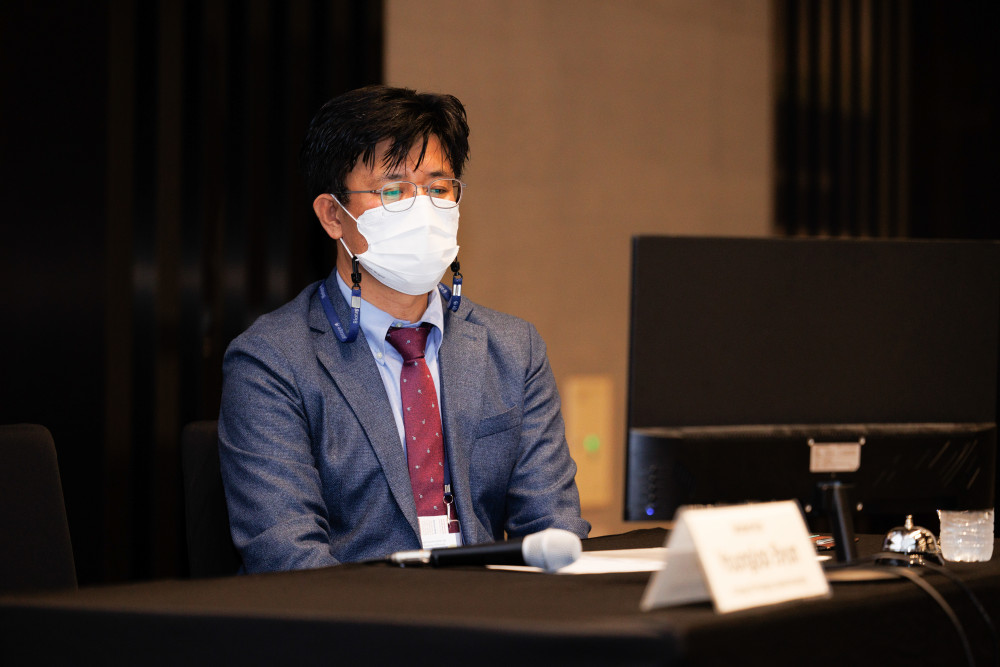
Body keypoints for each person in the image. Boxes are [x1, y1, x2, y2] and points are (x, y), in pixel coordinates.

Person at [218, 84, 589, 573]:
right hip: (354, 615)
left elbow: (553, 533)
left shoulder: (513, 348)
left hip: (490, 610)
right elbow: (289, 558)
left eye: (438, 189)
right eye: (393, 191)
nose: (422, 210)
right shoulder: (271, 360)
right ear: (333, 215)